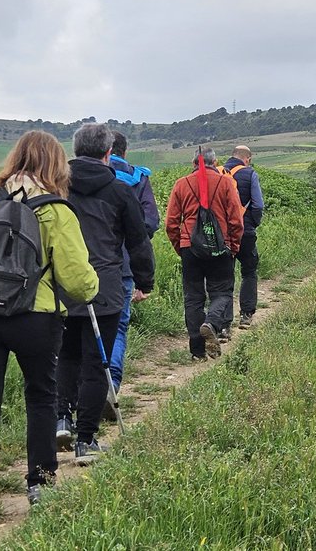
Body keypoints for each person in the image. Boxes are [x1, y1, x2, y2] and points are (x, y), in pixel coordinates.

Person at [0, 131, 99, 549]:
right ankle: (41, 485)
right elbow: (79, 283)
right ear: (56, 165)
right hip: (33, 318)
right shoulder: (56, 210)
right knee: (41, 398)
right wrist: (91, 285)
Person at [54, 123, 154, 466]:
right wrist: (144, 281)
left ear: (76, 150)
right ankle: (86, 441)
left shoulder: (57, 186)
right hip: (106, 286)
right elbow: (138, 241)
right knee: (96, 363)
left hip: (62, 286)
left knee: (66, 356)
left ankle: (61, 420)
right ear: (108, 153)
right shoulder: (119, 190)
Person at [165, 147, 244, 359]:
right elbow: (236, 220)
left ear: (194, 164)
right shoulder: (226, 183)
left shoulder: (181, 184)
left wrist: (181, 247)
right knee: (222, 292)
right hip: (220, 247)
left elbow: (171, 223)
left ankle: (197, 351)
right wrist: (233, 247)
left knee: (193, 297)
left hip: (190, 246)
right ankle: (211, 323)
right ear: (215, 162)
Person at [108, 131, 159, 391]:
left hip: (83, 262)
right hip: (125, 264)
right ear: (125, 151)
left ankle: (76, 398)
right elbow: (150, 222)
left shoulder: (77, 176)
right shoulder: (138, 178)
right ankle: (111, 384)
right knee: (118, 325)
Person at [219, 145, 265, 328]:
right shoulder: (250, 174)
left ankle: (224, 324)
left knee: (224, 277)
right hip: (245, 233)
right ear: (247, 159)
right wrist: (253, 223)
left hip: (223, 234)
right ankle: (246, 315)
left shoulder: (219, 172)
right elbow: (258, 204)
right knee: (249, 271)